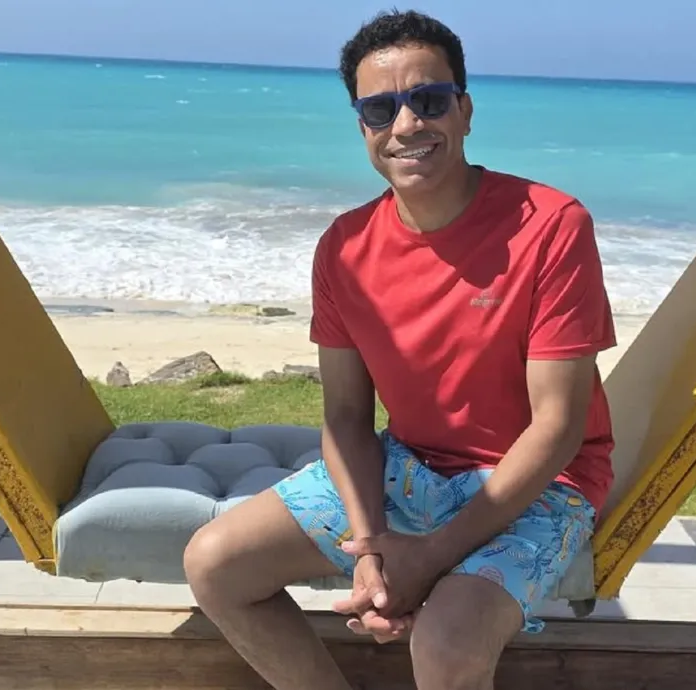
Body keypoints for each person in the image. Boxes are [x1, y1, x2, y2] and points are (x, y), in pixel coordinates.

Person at [183, 8, 616, 689]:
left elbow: (557, 428)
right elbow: (346, 418)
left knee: (447, 646)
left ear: (465, 111)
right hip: (410, 465)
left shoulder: (551, 225)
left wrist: (430, 556)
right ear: (363, 127)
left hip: (538, 485)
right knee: (215, 563)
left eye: (429, 100)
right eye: (381, 110)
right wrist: (370, 549)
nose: (407, 125)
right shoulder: (344, 247)